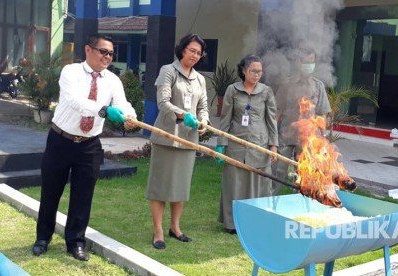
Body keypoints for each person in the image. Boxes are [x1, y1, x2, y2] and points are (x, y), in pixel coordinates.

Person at [32, 34, 137, 261]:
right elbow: (74, 100)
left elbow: (122, 103)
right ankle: (43, 238)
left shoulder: (112, 80)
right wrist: (104, 110)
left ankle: (76, 242)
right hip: (61, 140)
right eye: (103, 51)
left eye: (111, 53)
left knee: (83, 195)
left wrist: (130, 116)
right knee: (51, 191)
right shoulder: (71, 72)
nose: (108, 57)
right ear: (88, 50)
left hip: (89, 145)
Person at [146, 33, 209, 250]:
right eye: (191, 50)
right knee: (160, 186)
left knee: (180, 187)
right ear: (182, 49)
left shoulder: (200, 79)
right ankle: (158, 231)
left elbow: (203, 106)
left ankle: (175, 227)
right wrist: (182, 115)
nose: (195, 55)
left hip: (189, 139)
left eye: (199, 53)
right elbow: (163, 102)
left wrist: (203, 121)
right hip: (167, 136)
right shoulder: (168, 71)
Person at [216, 54, 278, 234]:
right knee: (234, 185)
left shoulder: (266, 91)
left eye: (259, 71)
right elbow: (225, 118)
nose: (257, 75)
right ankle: (232, 224)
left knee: (259, 185)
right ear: (243, 71)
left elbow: (271, 120)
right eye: (253, 71)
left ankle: (256, 221)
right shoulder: (232, 90)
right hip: (236, 144)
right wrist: (222, 143)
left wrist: (274, 145)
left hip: (260, 144)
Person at [270, 48, 331, 196]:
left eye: (312, 62)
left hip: (308, 139)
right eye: (306, 62)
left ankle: (299, 202)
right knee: (278, 172)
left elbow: (322, 114)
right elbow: (277, 111)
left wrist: (322, 139)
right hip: (285, 136)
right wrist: (272, 138)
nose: (309, 65)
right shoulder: (287, 84)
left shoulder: (318, 86)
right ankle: (270, 201)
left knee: (305, 175)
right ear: (298, 62)